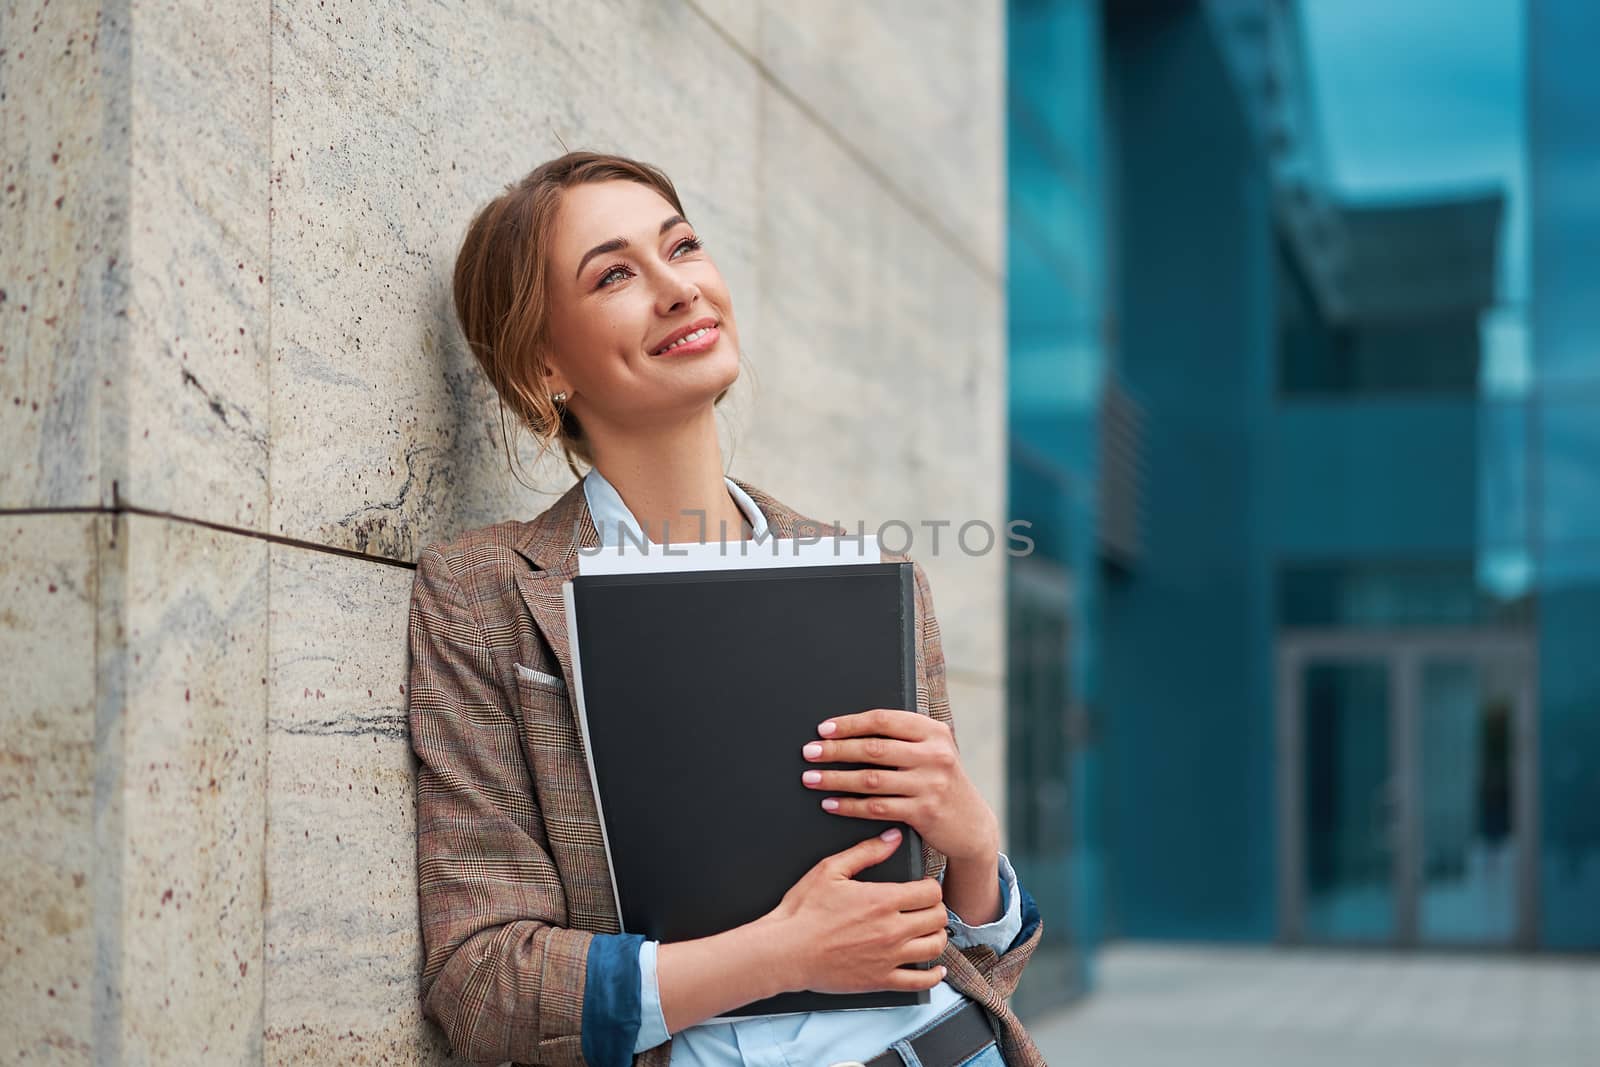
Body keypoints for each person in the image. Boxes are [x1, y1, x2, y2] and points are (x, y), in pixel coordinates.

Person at [407, 151, 1045, 1067]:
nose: (679, 289)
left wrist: (977, 850)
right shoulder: (483, 593)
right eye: (617, 273)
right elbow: (479, 982)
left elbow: (969, 959)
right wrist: (779, 954)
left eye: (685, 247)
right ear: (543, 362)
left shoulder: (871, 576)